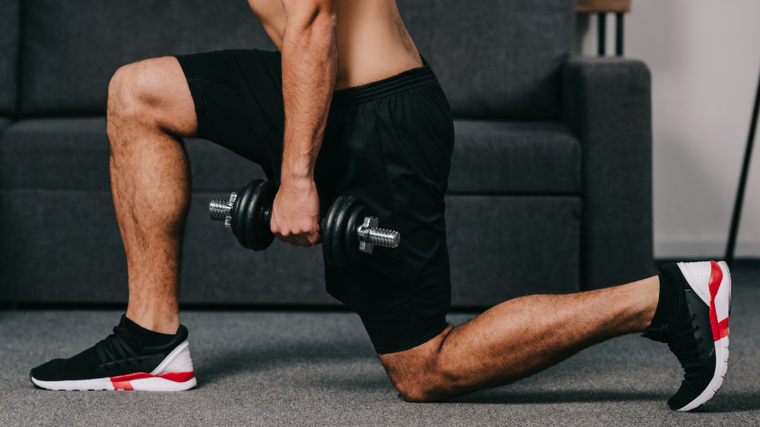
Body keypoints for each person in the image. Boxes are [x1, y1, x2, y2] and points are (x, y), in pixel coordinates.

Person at [29, 0, 731, 412]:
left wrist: (297, 176)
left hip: (382, 119)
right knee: (138, 93)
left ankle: (668, 298)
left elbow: (314, 19)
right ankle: (151, 340)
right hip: (313, 90)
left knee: (426, 368)